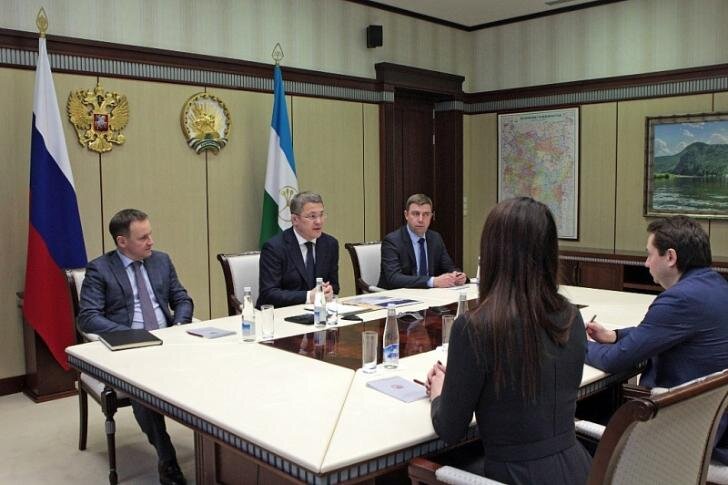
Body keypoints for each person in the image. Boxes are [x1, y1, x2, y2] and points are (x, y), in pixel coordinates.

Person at [425, 197, 591, 484]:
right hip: (580, 469)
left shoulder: (475, 327)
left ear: (491, 253)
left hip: (514, 476)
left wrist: (439, 393)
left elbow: (450, 430)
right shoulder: (571, 317)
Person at [586, 215, 728, 464]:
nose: (646, 263)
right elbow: (660, 331)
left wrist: (574, 341)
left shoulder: (680, 299)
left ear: (670, 257)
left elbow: (613, 361)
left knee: (578, 427)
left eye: (649, 254)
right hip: (714, 423)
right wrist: (614, 335)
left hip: (684, 433)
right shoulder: (716, 285)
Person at [78, 208, 193, 485]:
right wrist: (132, 335)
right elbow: (88, 317)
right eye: (143, 238)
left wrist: (179, 325)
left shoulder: (161, 260)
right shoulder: (100, 269)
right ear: (122, 242)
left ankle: (220, 453)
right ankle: (167, 459)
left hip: (170, 342)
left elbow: (182, 299)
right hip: (131, 348)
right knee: (143, 391)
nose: (151, 241)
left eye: (150, 234)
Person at [257, 191, 339, 308]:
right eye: (312, 216)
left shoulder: (330, 244)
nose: (319, 221)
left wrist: (328, 291)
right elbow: (269, 294)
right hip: (282, 313)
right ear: (295, 219)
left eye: (321, 215)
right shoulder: (274, 248)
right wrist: (308, 296)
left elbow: (334, 285)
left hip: (318, 311)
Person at [378, 193, 466, 289]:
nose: (421, 219)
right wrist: (432, 281)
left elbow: (448, 267)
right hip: (397, 295)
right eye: (416, 214)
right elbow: (394, 278)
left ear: (431, 216)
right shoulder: (392, 241)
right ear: (406, 215)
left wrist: (458, 276)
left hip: (429, 295)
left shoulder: (435, 238)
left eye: (426, 214)